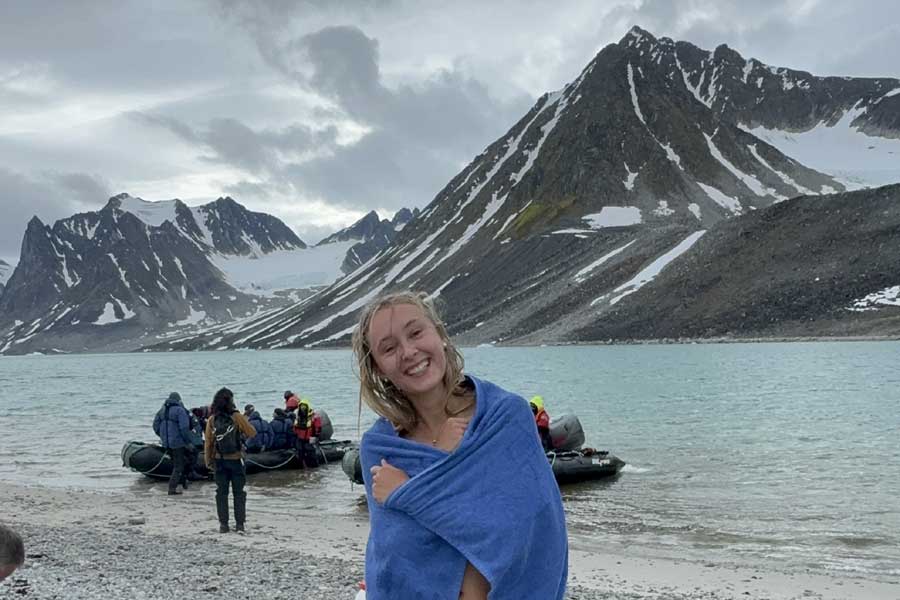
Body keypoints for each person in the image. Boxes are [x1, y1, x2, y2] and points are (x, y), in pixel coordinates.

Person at [352, 291, 568, 599]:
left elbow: (527, 528)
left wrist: (408, 492)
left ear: (439, 334)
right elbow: (396, 552)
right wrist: (444, 463)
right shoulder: (381, 447)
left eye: (415, 332)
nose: (409, 351)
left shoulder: (506, 417)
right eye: (389, 348)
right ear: (378, 369)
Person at [204, 387, 256, 533]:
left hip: (219, 461)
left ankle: (223, 525)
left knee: (221, 493)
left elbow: (208, 443)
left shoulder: (212, 420)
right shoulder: (236, 417)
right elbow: (252, 433)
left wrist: (208, 461)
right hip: (236, 460)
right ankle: (240, 525)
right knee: (239, 493)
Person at [152, 392, 194, 495]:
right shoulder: (180, 410)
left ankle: (183, 482)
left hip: (166, 443)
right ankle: (172, 488)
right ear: (179, 400)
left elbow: (155, 426)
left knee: (181, 462)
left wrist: (162, 437)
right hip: (177, 443)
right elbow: (184, 428)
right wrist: (188, 442)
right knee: (179, 465)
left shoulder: (162, 410)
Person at [292, 397, 322, 468]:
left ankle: (314, 469)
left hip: (309, 439)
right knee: (300, 454)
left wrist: (316, 436)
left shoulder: (314, 417)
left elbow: (318, 428)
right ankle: (302, 469)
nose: (302, 408)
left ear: (307, 407)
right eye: (301, 406)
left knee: (311, 454)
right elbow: (294, 428)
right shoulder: (298, 417)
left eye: (304, 406)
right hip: (300, 438)